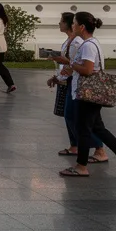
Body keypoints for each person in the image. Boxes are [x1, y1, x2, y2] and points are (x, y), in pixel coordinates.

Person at [60, 12, 116, 178]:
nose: (73, 26)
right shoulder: (91, 43)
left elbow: (88, 70)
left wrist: (69, 63)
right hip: (89, 94)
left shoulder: (88, 45)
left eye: (75, 23)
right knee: (98, 129)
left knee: (83, 130)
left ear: (82, 27)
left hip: (87, 94)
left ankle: (81, 167)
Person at [47, 12, 107, 163]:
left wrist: (64, 70)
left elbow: (81, 66)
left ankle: (98, 150)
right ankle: (76, 146)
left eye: (64, 22)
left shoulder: (80, 43)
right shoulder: (71, 41)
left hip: (80, 83)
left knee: (82, 120)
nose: (59, 24)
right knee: (72, 117)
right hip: (72, 81)